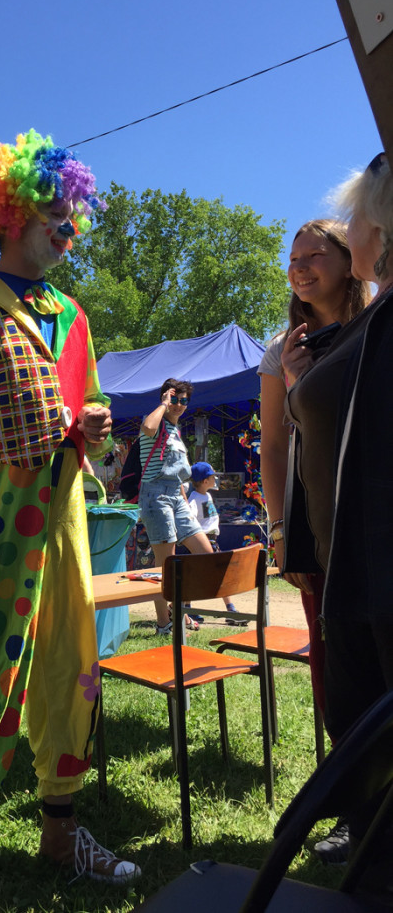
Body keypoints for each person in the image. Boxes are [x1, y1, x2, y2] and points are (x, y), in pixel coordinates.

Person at [0, 130, 139, 913]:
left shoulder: (71, 315)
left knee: (72, 664)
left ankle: (59, 830)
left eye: (74, 220)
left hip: (67, 511)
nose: (69, 232)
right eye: (57, 218)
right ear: (11, 214)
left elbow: (84, 409)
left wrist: (94, 427)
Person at [281, 153, 393, 877]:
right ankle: (372, 843)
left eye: (353, 219)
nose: (299, 269)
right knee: (356, 710)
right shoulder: (348, 330)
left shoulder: (377, 319)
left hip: (377, 561)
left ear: (378, 230)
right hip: (342, 553)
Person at [258, 219, 372, 864]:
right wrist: (278, 529)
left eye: (314, 255)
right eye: (292, 258)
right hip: (317, 525)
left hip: (376, 515)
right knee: (337, 668)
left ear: (350, 259)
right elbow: (274, 447)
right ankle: (356, 810)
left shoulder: (378, 322)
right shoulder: (282, 350)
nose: (299, 267)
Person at [137, 379, 215, 634]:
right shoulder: (155, 420)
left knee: (205, 554)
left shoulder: (175, 430)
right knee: (165, 567)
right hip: (155, 496)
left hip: (176, 496)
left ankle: (179, 609)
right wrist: (163, 405)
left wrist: (184, 501)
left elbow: (179, 475)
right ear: (165, 399)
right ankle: (164, 623)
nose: (179, 405)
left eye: (184, 401)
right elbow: (148, 428)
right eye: (175, 399)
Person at [186, 462, 241, 622]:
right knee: (214, 575)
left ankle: (188, 608)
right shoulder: (195, 498)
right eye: (212, 477)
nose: (215, 479)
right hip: (203, 541)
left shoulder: (207, 496)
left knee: (201, 576)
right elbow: (190, 517)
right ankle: (229, 609)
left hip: (211, 540)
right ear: (205, 481)